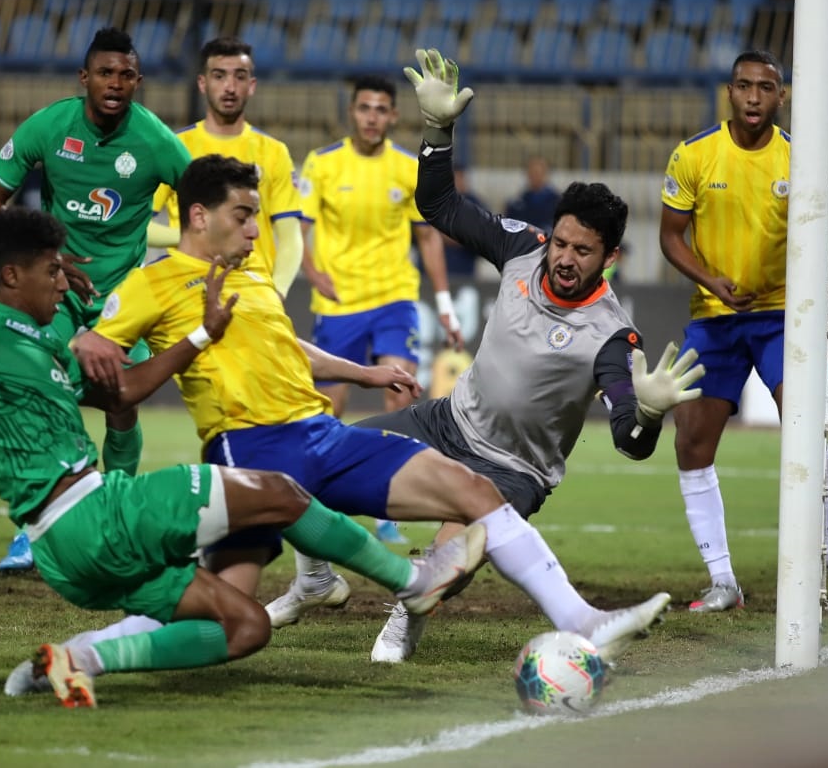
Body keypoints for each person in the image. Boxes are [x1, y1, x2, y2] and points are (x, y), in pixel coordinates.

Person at [50, 154, 673, 682]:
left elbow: (283, 346)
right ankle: (403, 582)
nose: (255, 230)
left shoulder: (250, 272)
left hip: (341, 437)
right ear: (198, 217)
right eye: (245, 216)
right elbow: (98, 365)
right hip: (255, 446)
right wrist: (176, 339)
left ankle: (578, 620)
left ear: (608, 257)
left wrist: (363, 373)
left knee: (469, 500)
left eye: (581, 250)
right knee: (233, 609)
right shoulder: (153, 286)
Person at [0, 206, 481, 709]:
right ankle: (413, 582)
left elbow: (129, 390)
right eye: (52, 270)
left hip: (69, 553)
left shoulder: (47, 343)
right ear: (9, 278)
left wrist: (195, 336)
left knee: (246, 629)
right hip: (89, 513)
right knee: (281, 493)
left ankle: (79, 658)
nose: (64, 279)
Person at [275, 48, 706, 662]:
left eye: (582, 251)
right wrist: (437, 132)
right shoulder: (523, 249)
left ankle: (404, 620)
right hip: (446, 421)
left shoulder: (613, 335)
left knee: (445, 566)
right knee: (310, 465)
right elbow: (441, 207)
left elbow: (627, 441)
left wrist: (649, 414)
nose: (562, 257)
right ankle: (315, 579)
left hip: (513, 469)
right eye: (560, 241)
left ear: (609, 258)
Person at [659, 49, 828, 613]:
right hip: (715, 317)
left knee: (805, 432)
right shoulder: (694, 155)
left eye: (766, 87)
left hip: (784, 319)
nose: (754, 96)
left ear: (782, 96)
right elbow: (671, 237)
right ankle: (724, 581)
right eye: (744, 85)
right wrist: (713, 280)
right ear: (729, 92)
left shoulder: (802, 159)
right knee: (692, 443)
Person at [0, 26, 191, 572]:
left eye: (125, 75)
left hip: (124, 301)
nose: (114, 83)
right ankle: (35, 527)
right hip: (59, 296)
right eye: (104, 73)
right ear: (84, 78)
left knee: (121, 403)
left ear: (138, 81)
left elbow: (199, 210)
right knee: (44, 397)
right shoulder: (50, 126)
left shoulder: (158, 142)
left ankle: (113, 516)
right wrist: (43, 259)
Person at [299, 74, 463, 419]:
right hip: (338, 302)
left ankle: (390, 473)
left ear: (393, 116)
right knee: (329, 410)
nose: (371, 118)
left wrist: (445, 305)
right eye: (364, 109)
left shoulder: (407, 167)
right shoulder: (322, 163)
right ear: (351, 112)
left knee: (400, 396)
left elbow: (428, 236)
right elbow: (297, 229)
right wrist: (312, 273)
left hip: (394, 296)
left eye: (380, 110)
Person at [152, 36, 303, 299]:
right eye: (219, 76)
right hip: (186, 292)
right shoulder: (174, 147)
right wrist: (189, 237)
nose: (230, 87)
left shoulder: (274, 152)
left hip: (253, 294)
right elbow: (140, 227)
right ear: (202, 83)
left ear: (252, 85)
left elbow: (290, 237)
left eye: (240, 77)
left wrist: (278, 291)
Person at [503, 154, 560, 232]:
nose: (535, 176)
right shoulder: (516, 204)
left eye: (539, 172)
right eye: (532, 172)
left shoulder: (557, 202)